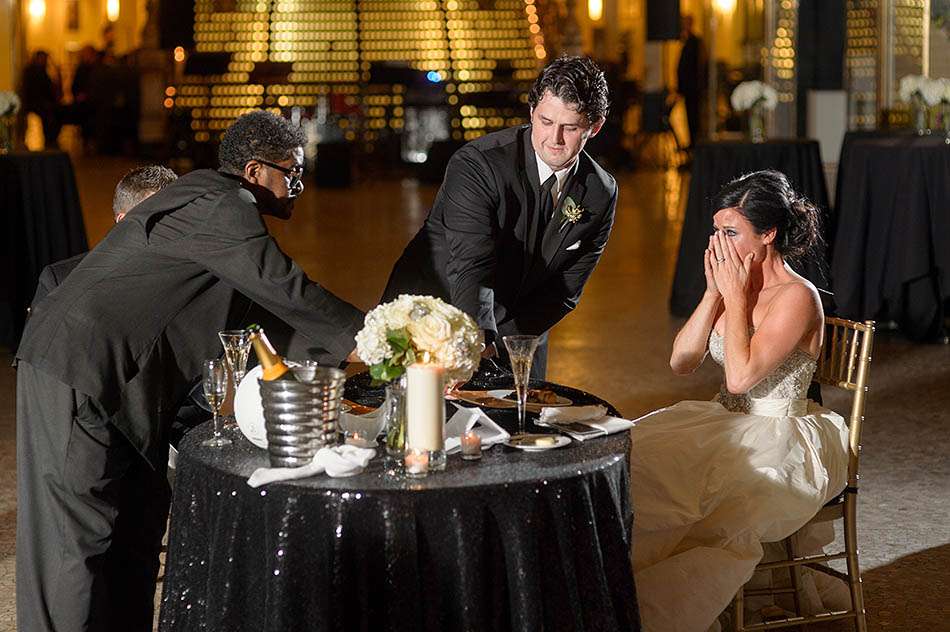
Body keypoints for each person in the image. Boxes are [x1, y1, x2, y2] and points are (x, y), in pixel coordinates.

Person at [15, 110, 365, 632]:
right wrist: (384, 337)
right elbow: (289, 291)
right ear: (252, 171)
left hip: (120, 379)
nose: (298, 186)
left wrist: (352, 372)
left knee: (130, 532)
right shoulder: (219, 203)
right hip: (76, 364)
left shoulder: (225, 227)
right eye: (289, 173)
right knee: (74, 547)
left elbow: (267, 325)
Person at [629, 170, 850, 631]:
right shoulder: (733, 285)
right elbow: (682, 361)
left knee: (687, 492)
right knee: (636, 455)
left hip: (780, 433)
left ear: (767, 234)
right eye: (716, 230)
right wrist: (714, 294)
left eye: (731, 232)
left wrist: (733, 295)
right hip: (725, 420)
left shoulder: (796, 296)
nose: (718, 242)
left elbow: (740, 377)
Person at [382, 55, 617, 378]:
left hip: (520, 331)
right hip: (440, 311)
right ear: (532, 112)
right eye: (546, 122)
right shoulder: (478, 165)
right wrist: (480, 340)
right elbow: (471, 264)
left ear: (595, 127)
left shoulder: (600, 191)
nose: (554, 139)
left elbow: (565, 291)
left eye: (570, 128)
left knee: (522, 424)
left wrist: (510, 344)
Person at [29, 164, 178, 306]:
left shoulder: (194, 278)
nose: (173, 227)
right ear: (124, 221)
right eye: (159, 218)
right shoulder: (62, 283)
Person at [18, 50, 62, 149]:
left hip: (42, 102)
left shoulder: (43, 70)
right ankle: (50, 141)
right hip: (37, 103)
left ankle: (50, 140)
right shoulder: (33, 71)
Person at [676, 14, 705, 149]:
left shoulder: (694, 41)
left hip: (693, 88)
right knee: (689, 117)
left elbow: (694, 67)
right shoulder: (687, 40)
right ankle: (692, 144)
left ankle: (694, 146)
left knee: (694, 118)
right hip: (688, 89)